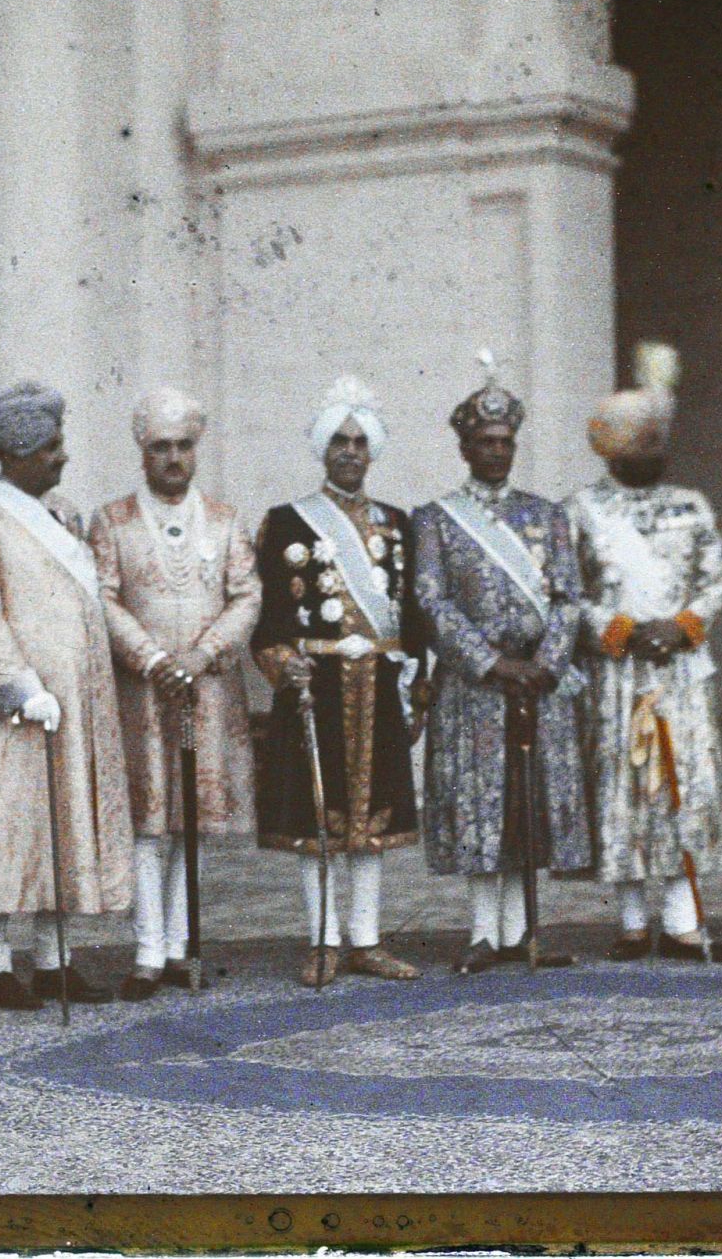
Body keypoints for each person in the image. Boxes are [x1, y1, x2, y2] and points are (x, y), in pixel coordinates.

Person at [0, 381, 133, 1008]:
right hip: (18, 706)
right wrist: (18, 686)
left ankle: (54, 959)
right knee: (12, 823)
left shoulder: (63, 516)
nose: (62, 457)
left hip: (76, 698)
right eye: (51, 447)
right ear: (17, 453)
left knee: (65, 820)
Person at [413, 357, 590, 973]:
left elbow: (569, 596)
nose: (496, 452)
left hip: (539, 682)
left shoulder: (548, 515)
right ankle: (484, 930)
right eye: (485, 442)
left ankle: (522, 931)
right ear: (465, 448)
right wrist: (490, 664)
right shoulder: (437, 520)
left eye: (505, 442)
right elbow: (431, 602)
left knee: (528, 800)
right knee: (481, 800)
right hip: (476, 685)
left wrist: (546, 662)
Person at [251, 376, 428, 988]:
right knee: (318, 818)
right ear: (323, 449)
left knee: (373, 820)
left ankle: (367, 940)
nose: (349, 452)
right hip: (316, 686)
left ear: (371, 450)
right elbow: (267, 616)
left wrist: (419, 688)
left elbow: (413, 617)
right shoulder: (287, 523)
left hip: (379, 683)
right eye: (338, 441)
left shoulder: (398, 523)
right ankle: (324, 939)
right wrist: (283, 663)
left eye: (359, 442)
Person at [567, 353, 722, 964]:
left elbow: (717, 580)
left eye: (659, 440)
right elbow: (567, 593)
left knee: (682, 785)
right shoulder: (581, 510)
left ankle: (685, 923)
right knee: (625, 789)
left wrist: (682, 625)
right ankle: (632, 923)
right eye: (642, 441)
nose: (655, 451)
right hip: (618, 673)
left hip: (681, 670)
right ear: (612, 449)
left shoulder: (692, 505)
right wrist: (619, 630)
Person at [90, 388, 261, 1001]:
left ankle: (180, 944)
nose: (172, 458)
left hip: (205, 688)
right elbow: (102, 597)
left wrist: (202, 655)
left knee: (190, 820)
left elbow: (247, 595)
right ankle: (146, 951)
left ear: (196, 449)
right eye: (160, 447)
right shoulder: (112, 521)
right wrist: (154, 659)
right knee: (147, 822)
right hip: (142, 691)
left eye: (183, 446)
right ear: (143, 451)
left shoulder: (224, 519)